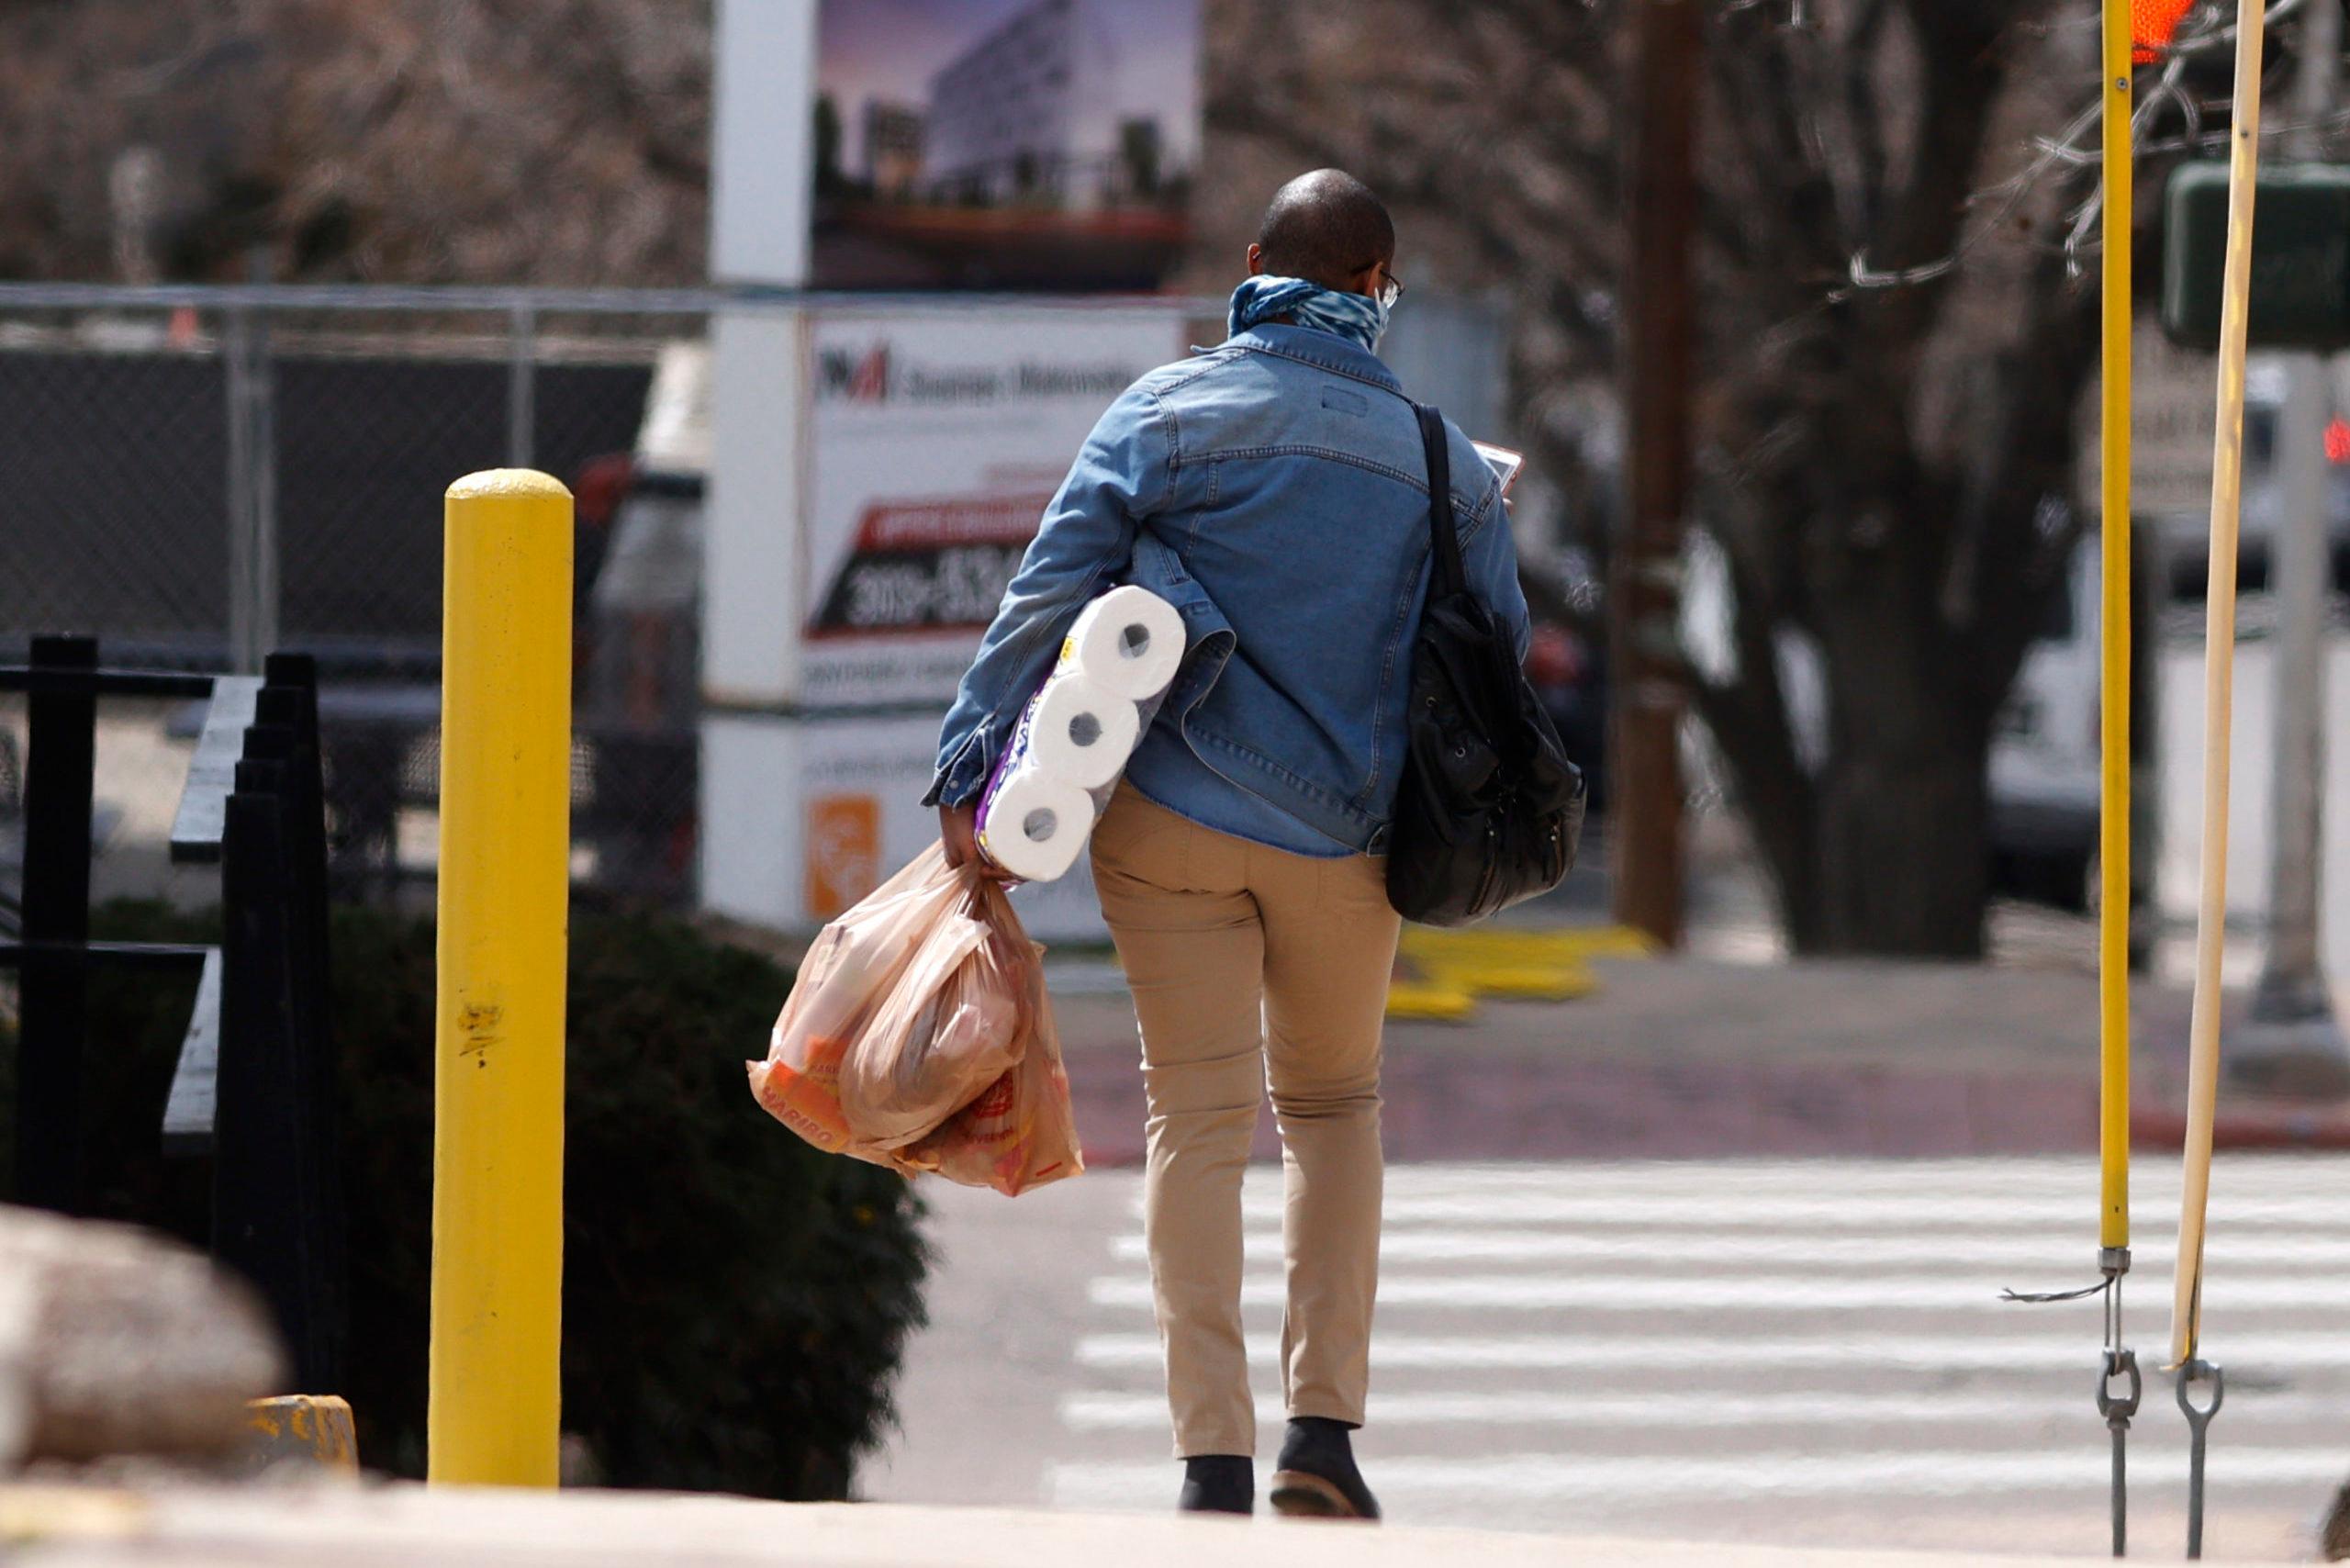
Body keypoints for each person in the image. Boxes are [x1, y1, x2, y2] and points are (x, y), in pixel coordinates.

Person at [927, 170, 1529, 1521]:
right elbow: (1503, 651)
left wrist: (969, 767)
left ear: (1256, 261)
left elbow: (1048, 591)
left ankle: (1209, 1458)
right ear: (1382, 287)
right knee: (1333, 1111)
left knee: (1193, 1118)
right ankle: (1325, 1437)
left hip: (1171, 823)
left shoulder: (1162, 412)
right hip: (1352, 843)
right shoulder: (1441, 460)